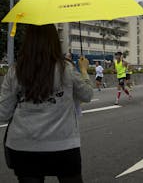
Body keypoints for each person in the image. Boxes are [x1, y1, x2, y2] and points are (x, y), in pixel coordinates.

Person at [0, 24, 93, 183]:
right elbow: (87, 95)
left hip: (23, 147)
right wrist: (84, 70)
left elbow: (3, 114)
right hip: (63, 146)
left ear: (28, 40)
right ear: (54, 41)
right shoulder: (66, 69)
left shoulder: (15, 71)